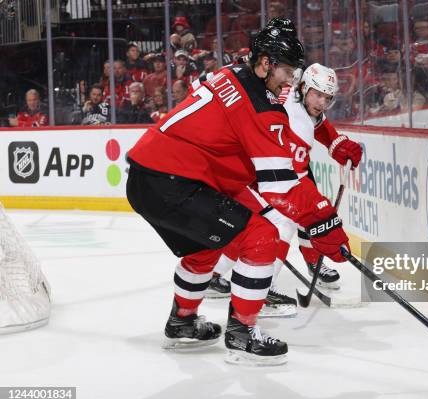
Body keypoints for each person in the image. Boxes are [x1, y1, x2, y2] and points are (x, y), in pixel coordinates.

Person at [126, 23, 350, 366]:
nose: (290, 82)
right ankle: (242, 332)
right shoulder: (261, 107)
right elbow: (282, 188)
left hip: (150, 175)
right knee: (262, 236)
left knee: (205, 244)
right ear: (264, 64)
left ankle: (182, 320)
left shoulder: (232, 72)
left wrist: (316, 218)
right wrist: (324, 222)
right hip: (177, 180)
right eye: (286, 72)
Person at [207, 63, 363, 317]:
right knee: (284, 221)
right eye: (317, 94)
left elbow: (319, 123)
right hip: (249, 170)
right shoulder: (296, 119)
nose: (322, 102)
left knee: (260, 226)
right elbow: (292, 181)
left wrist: (335, 142)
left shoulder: (295, 96)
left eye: (327, 97)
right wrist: (318, 211)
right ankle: (264, 289)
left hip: (247, 165)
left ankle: (211, 275)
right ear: (303, 87)